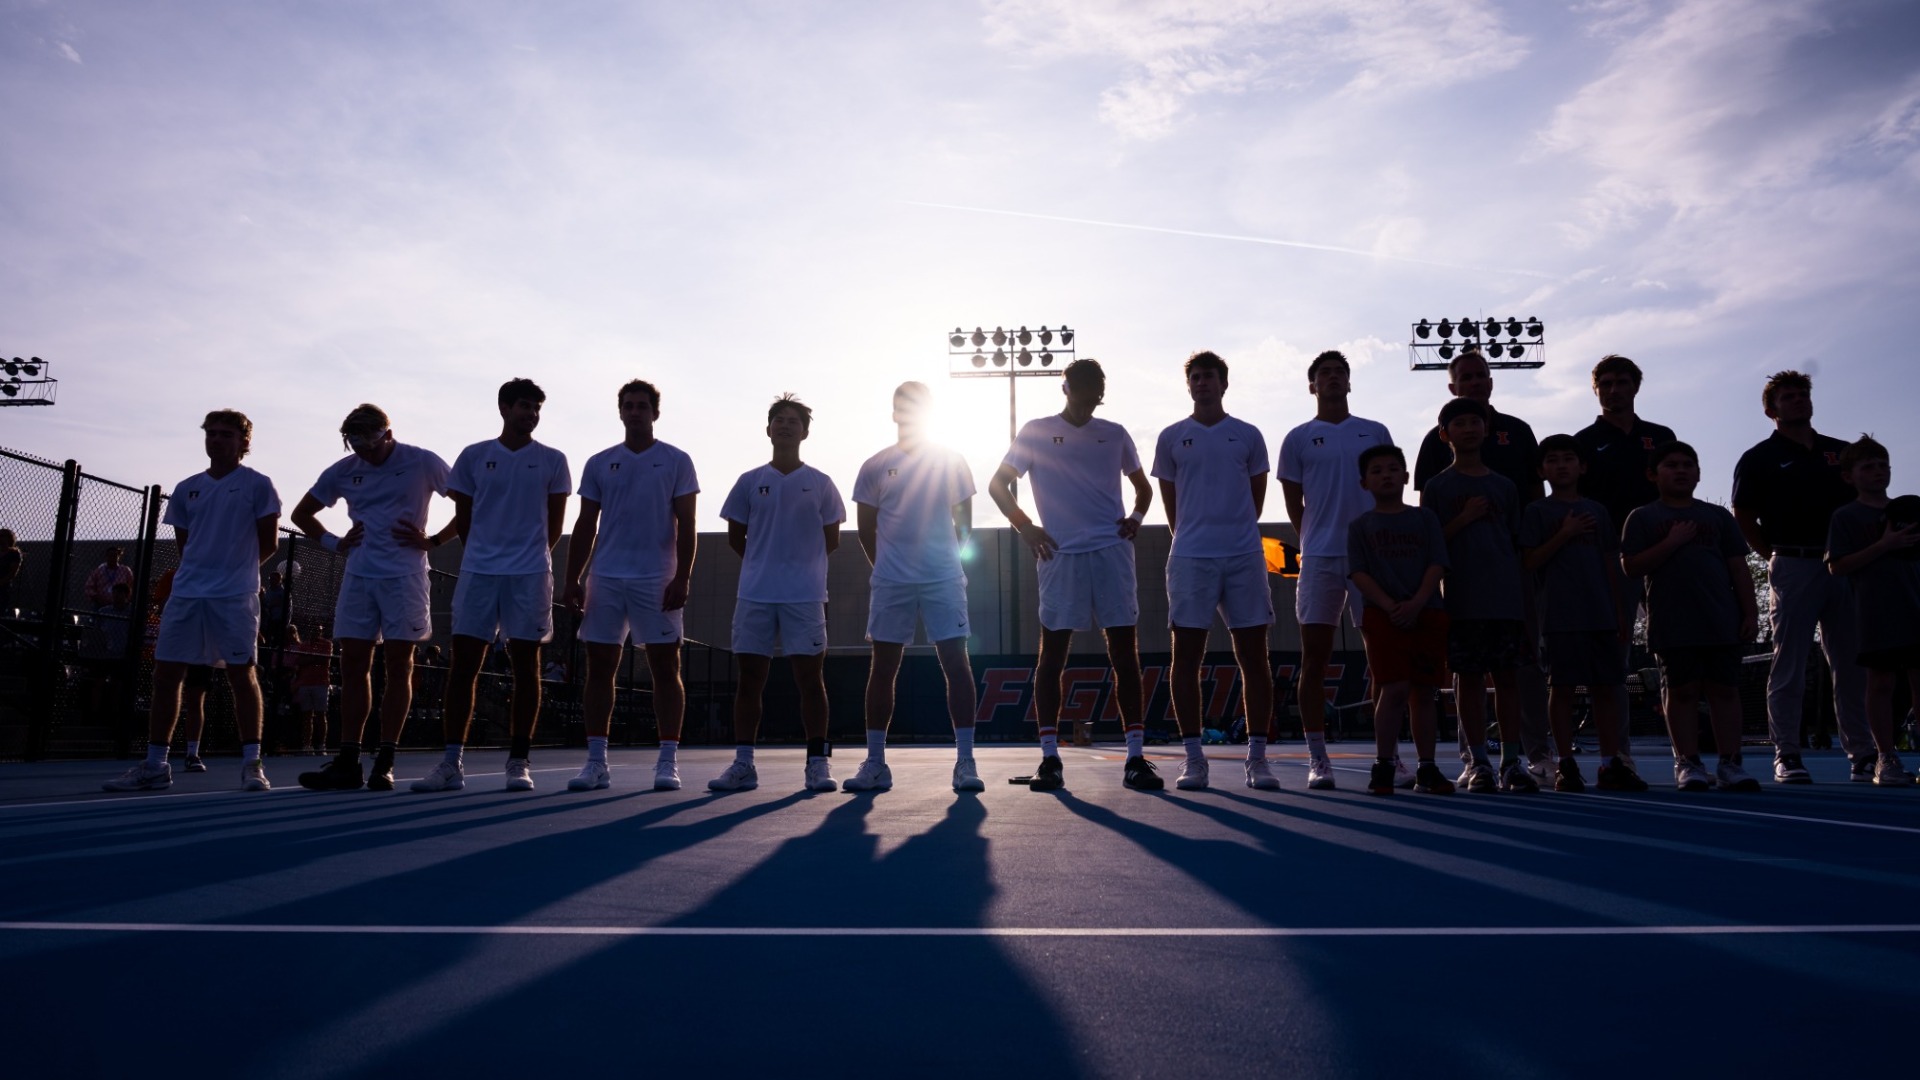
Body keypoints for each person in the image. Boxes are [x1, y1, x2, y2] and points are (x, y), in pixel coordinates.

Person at [985, 359, 1160, 792]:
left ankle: (1135, 758)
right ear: (1065, 388)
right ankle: (1050, 760)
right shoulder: (1036, 431)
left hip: (1111, 553)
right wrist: (1026, 527)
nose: (1086, 395)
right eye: (1078, 387)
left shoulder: (1114, 433)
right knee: (1053, 655)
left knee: (1124, 652)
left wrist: (1135, 517)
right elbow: (997, 484)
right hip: (1060, 554)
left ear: (1102, 392)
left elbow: (1143, 488)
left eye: (1094, 388)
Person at [104, 409, 281, 792]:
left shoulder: (258, 485)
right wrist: (200, 574)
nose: (216, 439)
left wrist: (235, 572)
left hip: (234, 597)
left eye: (225, 434)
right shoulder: (186, 488)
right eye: (211, 433)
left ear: (243, 442)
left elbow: (269, 543)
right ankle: (155, 766)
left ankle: (252, 765)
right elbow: (187, 545)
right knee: (166, 676)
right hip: (186, 595)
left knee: (242, 675)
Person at [413, 378, 571, 793]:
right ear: (504, 408)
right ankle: (451, 764)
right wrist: (486, 555)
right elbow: (464, 517)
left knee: (526, 668)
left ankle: (518, 761)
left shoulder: (553, 460)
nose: (530, 414)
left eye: (536, 408)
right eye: (523, 406)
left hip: (530, 575)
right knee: (464, 666)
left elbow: (554, 526)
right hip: (480, 574)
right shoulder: (474, 456)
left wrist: (525, 557)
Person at [290, 404, 453, 791]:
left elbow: (471, 503)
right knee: (352, 667)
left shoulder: (423, 461)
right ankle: (348, 760)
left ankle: (386, 759)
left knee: (399, 666)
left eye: (371, 444)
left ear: (388, 434)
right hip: (360, 576)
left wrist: (433, 541)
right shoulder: (343, 470)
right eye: (356, 446)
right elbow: (302, 514)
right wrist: (335, 542)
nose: (364, 453)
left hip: (405, 577)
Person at [1413, 350, 1552, 781]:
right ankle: (1477, 760)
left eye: (1476, 422)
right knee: (1468, 679)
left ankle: (1517, 758)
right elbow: (1431, 539)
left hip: (1508, 594)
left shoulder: (1507, 483)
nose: (1469, 428)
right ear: (1446, 432)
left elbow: (1520, 535)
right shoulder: (1438, 485)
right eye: (1460, 422)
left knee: (1511, 675)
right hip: (1461, 595)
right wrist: (1464, 519)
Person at [1732, 370, 1873, 783]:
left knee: (1851, 664)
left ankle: (1862, 752)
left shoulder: (1841, 453)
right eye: (1789, 396)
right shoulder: (1759, 457)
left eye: (1803, 395)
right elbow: (1743, 514)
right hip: (1794, 564)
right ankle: (1787, 752)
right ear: (1770, 409)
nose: (1798, 401)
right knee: (1788, 661)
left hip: (1846, 567)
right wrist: (1771, 554)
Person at [561, 379, 698, 792]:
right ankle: (596, 762)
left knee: (664, 668)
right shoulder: (600, 462)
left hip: (657, 578)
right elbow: (586, 523)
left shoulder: (676, 460)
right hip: (606, 577)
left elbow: (688, 523)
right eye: (629, 405)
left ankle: (667, 761)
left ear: (655, 413)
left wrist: (683, 576)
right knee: (600, 669)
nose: (635, 411)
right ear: (620, 412)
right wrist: (573, 578)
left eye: (642, 405)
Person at [706, 393, 845, 793]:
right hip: (755, 595)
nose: (785, 426)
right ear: (768, 430)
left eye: (793, 421)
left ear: (805, 432)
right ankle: (744, 764)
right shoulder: (750, 481)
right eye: (778, 420)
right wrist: (763, 566)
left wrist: (798, 569)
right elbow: (737, 537)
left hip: (804, 597)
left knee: (810, 678)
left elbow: (830, 540)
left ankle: (817, 763)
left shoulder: (820, 484)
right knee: (750, 679)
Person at [1150, 351, 1274, 792]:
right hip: (1190, 557)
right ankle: (1193, 760)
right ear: (1189, 385)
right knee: (1185, 658)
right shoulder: (1171, 437)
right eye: (1196, 377)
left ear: (1225, 383)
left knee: (1254, 658)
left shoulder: (1247, 435)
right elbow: (1171, 506)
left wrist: (1231, 531)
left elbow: (1255, 500)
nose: (1203, 383)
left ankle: (1257, 759)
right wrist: (1194, 535)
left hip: (1243, 555)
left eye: (1211, 377)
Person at [848, 382, 980, 792]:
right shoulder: (875, 465)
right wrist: (891, 568)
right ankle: (875, 764)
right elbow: (865, 530)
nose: (909, 411)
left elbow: (964, 525)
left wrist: (941, 563)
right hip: (892, 583)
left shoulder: (951, 460)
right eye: (902, 405)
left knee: (956, 665)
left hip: (943, 578)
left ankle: (965, 762)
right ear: (893, 413)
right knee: (883, 669)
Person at [1277, 349, 1394, 791]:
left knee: (1382, 658)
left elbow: (1389, 484)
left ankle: (1387, 757)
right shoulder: (1299, 437)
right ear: (1312, 385)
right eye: (1323, 373)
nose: (1331, 378)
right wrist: (1314, 536)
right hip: (1322, 556)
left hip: (1373, 556)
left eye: (1339, 373)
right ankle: (1318, 757)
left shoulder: (1374, 430)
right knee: (1315, 658)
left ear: (1349, 382)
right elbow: (1293, 500)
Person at [1623, 441, 1761, 791]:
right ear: (1653, 474)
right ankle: (1687, 762)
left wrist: (1750, 611)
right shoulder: (1643, 517)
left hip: (1719, 620)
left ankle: (1730, 764)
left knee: (1724, 691)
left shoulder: (1717, 518)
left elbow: (1738, 567)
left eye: (1688, 464)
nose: (1681, 470)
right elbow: (1631, 566)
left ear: (1698, 473)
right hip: (1672, 621)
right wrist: (1672, 542)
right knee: (1681, 691)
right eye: (1671, 465)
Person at [1519, 435, 1647, 792]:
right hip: (1560, 615)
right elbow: (1529, 561)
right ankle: (1565, 763)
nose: (1562, 465)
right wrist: (1565, 534)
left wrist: (1620, 611)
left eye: (1568, 459)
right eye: (1553, 460)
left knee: (1606, 688)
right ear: (1542, 470)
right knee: (1561, 689)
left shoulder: (1598, 511)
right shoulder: (1538, 512)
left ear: (1582, 466)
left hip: (1601, 613)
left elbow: (1610, 562)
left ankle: (1610, 763)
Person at [1573, 354, 1676, 769]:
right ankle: (1618, 756)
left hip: (1665, 554)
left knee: (1675, 652)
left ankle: (1686, 755)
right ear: (1596, 390)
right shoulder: (1583, 441)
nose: (1615, 389)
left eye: (1622, 382)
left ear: (1636, 386)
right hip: (1609, 558)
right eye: (1607, 383)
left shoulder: (1661, 436)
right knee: (1613, 659)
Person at [1346, 445, 1454, 795]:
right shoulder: (1361, 526)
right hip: (1383, 616)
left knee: (1424, 692)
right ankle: (1384, 766)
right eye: (1377, 471)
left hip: (1427, 613)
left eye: (1393, 469)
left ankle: (1427, 767)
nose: (1386, 475)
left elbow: (1437, 563)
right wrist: (1391, 605)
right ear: (1364, 482)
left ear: (1406, 477)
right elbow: (1359, 573)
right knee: (1392, 690)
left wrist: (1419, 601)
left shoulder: (1425, 519)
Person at [1825, 436, 1919, 786]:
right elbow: (1837, 565)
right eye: (1868, 466)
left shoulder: (1910, 510)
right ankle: (1885, 757)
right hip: (1874, 610)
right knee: (1881, 683)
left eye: (1883, 465)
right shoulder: (1846, 517)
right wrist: (1884, 544)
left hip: (1914, 606)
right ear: (1849, 476)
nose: (1878, 471)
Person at [285, 624, 333, 754]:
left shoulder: (327, 644)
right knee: (306, 715)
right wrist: (313, 658)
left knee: (320, 714)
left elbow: (324, 660)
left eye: (318, 630)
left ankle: (321, 745)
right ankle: (307, 745)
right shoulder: (303, 645)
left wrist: (309, 659)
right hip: (305, 683)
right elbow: (299, 661)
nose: (315, 633)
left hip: (321, 683)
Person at [0, 528, 22, 613]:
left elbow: (12, 573)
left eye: (2, 536)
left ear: (9, 538)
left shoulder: (14, 553)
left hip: (3, 587)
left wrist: (1, 582)